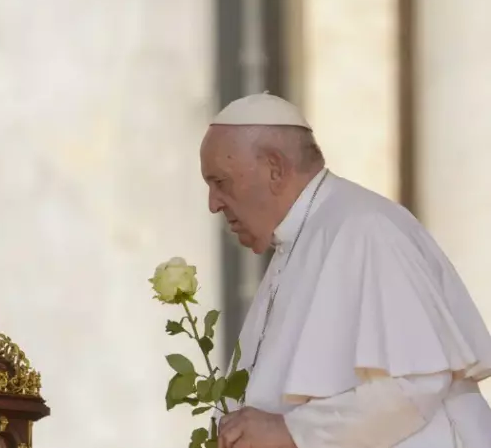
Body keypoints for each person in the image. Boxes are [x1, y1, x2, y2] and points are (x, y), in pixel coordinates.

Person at [201, 93, 491, 448]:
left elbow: (415, 383)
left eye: (221, 182)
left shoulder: (365, 227)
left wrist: (290, 432)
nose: (213, 203)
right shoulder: (297, 242)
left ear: (275, 168)